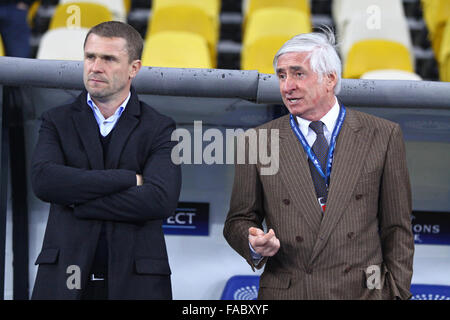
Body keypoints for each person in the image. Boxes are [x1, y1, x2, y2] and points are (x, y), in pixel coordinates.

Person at [223, 30, 414, 300]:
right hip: (290, 293)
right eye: (281, 75)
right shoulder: (257, 141)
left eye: (298, 74)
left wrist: (396, 293)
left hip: (363, 293)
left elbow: (398, 228)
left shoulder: (383, 136)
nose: (287, 86)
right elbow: (238, 221)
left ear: (330, 79)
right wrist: (253, 242)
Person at [31, 21, 181, 300]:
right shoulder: (56, 120)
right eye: (90, 56)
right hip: (64, 281)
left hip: (137, 284)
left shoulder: (160, 127)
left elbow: (160, 199)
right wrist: (126, 179)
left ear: (133, 68)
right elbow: (44, 182)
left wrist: (76, 200)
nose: (95, 66)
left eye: (109, 59)